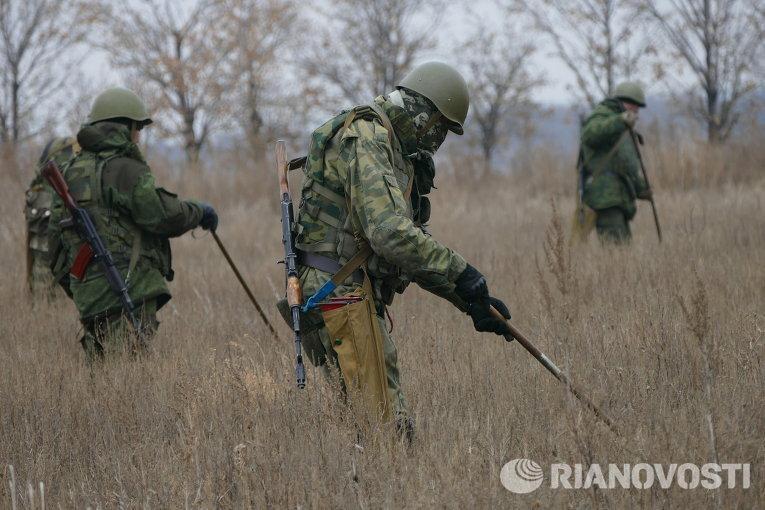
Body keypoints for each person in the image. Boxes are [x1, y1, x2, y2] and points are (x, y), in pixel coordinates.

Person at [278, 62, 511, 440]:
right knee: (385, 429)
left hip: (348, 291)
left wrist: (469, 300)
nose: (439, 140)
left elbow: (408, 245)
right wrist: (461, 272)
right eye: (439, 127)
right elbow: (388, 233)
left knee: (365, 427)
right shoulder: (367, 137)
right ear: (421, 110)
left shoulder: (393, 147)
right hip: (338, 292)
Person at [48, 87, 218, 360]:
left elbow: (54, 244)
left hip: (88, 295)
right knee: (129, 370)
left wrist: (79, 287)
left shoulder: (71, 171)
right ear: (123, 127)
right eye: (137, 128)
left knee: (102, 377)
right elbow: (162, 216)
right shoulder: (124, 168)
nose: (139, 136)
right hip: (126, 289)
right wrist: (199, 212)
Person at [579, 81, 653, 243]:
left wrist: (641, 188)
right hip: (605, 197)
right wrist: (620, 121)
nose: (636, 111)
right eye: (634, 106)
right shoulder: (603, 115)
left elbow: (625, 162)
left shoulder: (622, 125)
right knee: (616, 252)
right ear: (625, 102)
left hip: (618, 197)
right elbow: (590, 134)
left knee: (623, 252)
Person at [25, 137, 79, 297]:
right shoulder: (67, 146)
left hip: (44, 200)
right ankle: (43, 302)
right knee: (44, 258)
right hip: (46, 202)